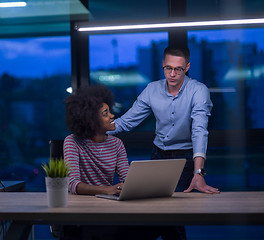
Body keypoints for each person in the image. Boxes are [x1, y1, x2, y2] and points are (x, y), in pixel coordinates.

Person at [108, 45, 220, 239]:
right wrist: (94, 130)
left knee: (171, 216)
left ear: (187, 67)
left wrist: (198, 171)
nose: (173, 74)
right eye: (168, 68)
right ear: (163, 66)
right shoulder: (152, 89)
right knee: (155, 212)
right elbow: (126, 122)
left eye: (178, 69)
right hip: (158, 156)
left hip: (184, 159)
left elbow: (199, 131)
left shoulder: (198, 91)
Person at [62, 84, 164, 240]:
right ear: (90, 119)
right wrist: (107, 190)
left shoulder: (116, 144)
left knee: (159, 224)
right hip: (82, 211)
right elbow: (73, 184)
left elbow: (128, 178)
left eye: (109, 111)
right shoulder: (72, 142)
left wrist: (144, 184)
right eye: (105, 113)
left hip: (108, 208)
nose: (112, 116)